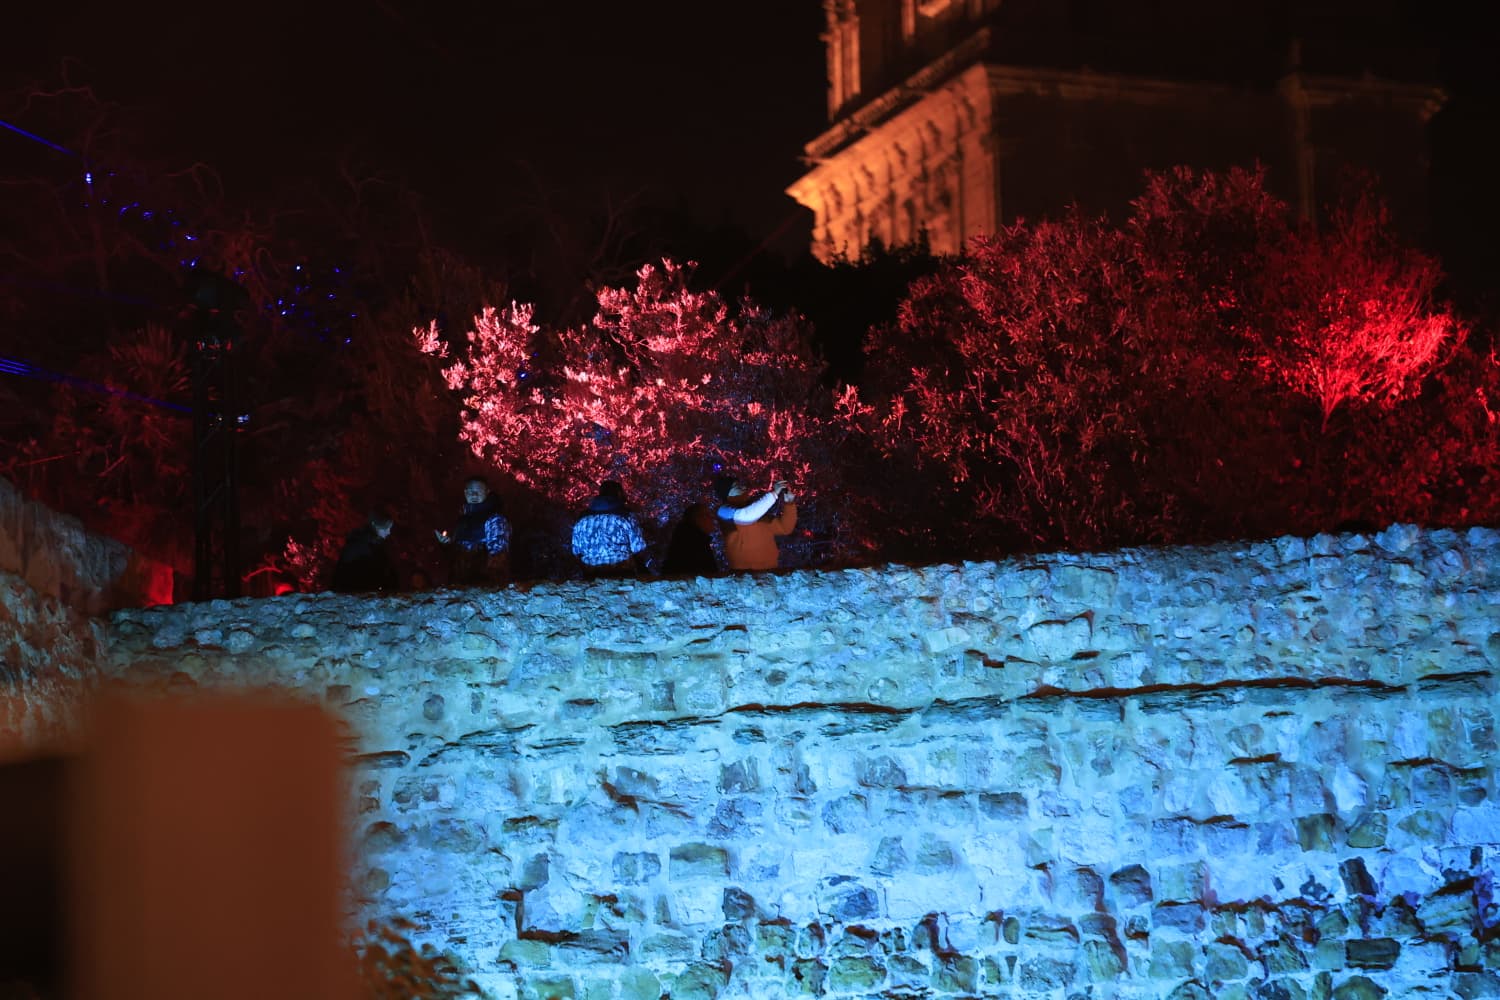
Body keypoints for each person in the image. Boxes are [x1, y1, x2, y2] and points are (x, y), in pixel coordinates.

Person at [436, 477, 510, 585]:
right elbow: (455, 557)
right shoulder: (462, 520)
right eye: (470, 491)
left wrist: (489, 585)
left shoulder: (494, 518)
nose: (474, 495)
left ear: (487, 492)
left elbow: (498, 557)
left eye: (478, 491)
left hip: (483, 587)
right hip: (461, 586)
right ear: (465, 493)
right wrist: (446, 544)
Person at [714, 475, 797, 572]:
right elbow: (745, 516)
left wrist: (789, 503)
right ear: (727, 492)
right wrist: (773, 494)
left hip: (770, 571)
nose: (744, 488)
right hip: (744, 575)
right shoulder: (724, 511)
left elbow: (784, 528)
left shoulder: (757, 510)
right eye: (737, 487)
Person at [571, 480, 648, 577]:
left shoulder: (582, 518)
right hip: (622, 572)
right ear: (619, 494)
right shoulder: (626, 515)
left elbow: (576, 550)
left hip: (591, 574)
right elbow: (638, 547)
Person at [330, 509, 400, 593]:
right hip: (358, 593)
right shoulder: (362, 545)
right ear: (375, 526)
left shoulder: (374, 544)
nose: (388, 532)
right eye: (385, 528)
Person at [661, 502, 718, 576]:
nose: (712, 518)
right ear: (697, 518)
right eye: (707, 515)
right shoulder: (696, 545)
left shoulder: (689, 540)